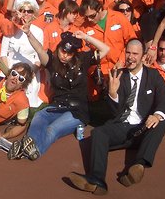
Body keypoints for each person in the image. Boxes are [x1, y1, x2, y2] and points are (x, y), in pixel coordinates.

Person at [68, 39, 165, 194]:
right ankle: (96, 180)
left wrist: (157, 115)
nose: (130, 57)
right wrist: (112, 94)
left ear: (143, 56)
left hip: (144, 128)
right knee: (98, 133)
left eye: (135, 54)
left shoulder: (153, 75)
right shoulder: (118, 75)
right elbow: (115, 113)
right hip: (123, 127)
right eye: (128, 53)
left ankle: (138, 165)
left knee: (161, 122)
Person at [8, 30, 109, 160]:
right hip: (58, 105)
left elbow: (105, 49)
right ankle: (29, 146)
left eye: (69, 53)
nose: (64, 55)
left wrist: (85, 37)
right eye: (62, 51)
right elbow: (39, 49)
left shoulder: (83, 60)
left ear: (74, 54)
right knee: (39, 116)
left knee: (53, 129)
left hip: (77, 111)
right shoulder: (52, 61)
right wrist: (28, 33)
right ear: (59, 48)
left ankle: (35, 150)